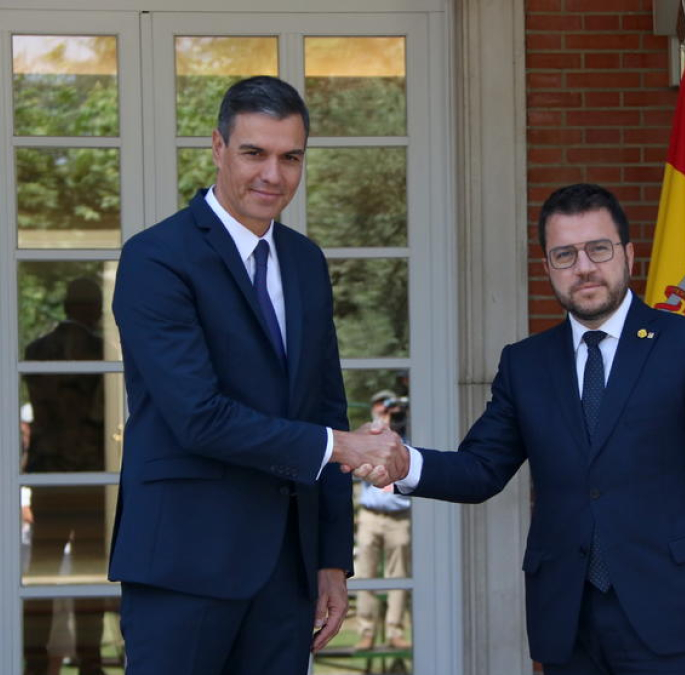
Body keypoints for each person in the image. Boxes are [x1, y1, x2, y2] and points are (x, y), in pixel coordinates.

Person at [366, 184, 685, 674]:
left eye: (599, 248)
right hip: (566, 617)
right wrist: (406, 463)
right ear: (548, 267)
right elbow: (482, 468)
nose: (584, 267)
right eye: (565, 254)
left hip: (674, 611)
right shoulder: (525, 364)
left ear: (629, 255)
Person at [109, 75, 407, 674]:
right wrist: (337, 445)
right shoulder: (156, 258)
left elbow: (325, 404)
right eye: (255, 153)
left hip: (285, 573)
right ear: (218, 148)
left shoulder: (306, 262)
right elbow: (199, 417)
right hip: (182, 565)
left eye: (290, 157)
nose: (274, 174)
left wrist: (329, 558)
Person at [21, 277, 109, 675]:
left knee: (42, 570)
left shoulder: (36, 351)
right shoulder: (103, 352)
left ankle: (34, 657)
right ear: (92, 308)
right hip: (91, 475)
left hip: (48, 473)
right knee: (91, 570)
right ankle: (89, 659)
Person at [353, 390, 412, 652]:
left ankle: (394, 631)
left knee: (399, 575)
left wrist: (397, 429)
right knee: (365, 573)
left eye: (390, 408)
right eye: (380, 407)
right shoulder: (367, 437)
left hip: (400, 517)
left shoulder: (407, 437)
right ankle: (366, 632)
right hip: (370, 516)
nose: (387, 413)